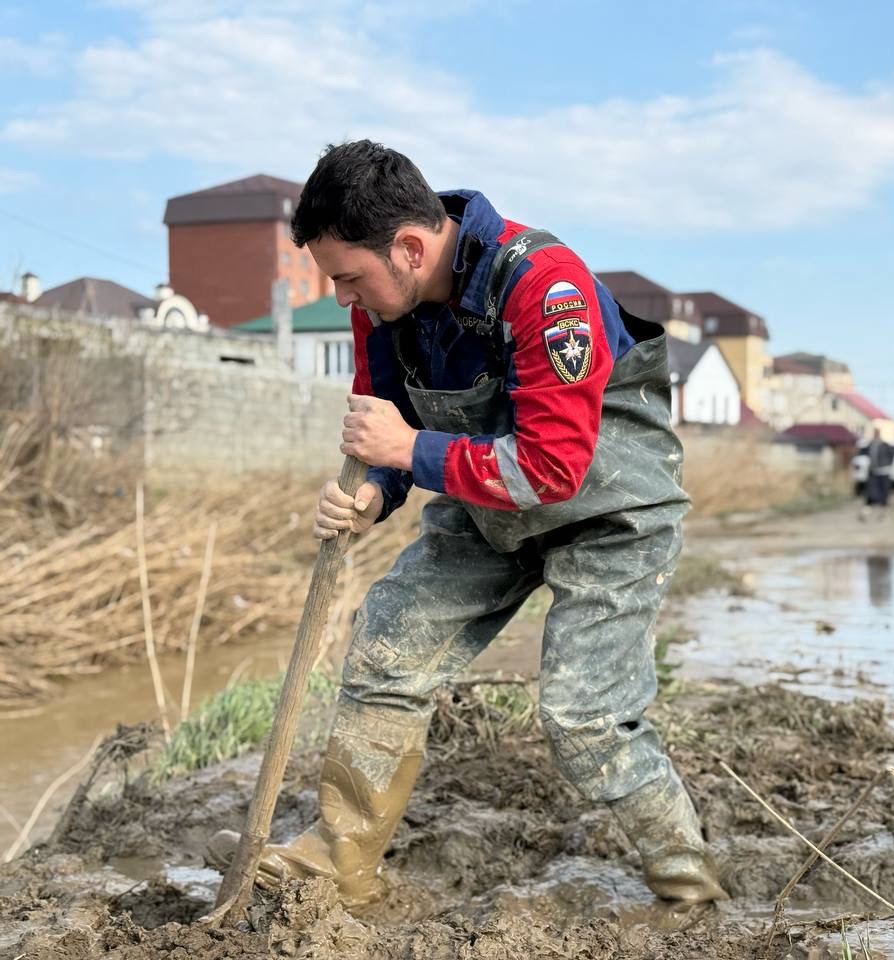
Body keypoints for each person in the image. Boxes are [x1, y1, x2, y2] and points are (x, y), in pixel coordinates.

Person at [206, 141, 726, 908]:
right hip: (487, 510)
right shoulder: (385, 307)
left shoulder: (547, 287)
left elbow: (551, 469)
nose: (345, 297)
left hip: (606, 513)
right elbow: (388, 427)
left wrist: (408, 451)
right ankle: (337, 867)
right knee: (387, 646)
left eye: (349, 277)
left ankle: (690, 884)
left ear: (410, 248)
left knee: (585, 717)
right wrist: (373, 492)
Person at [860, 429, 894, 522]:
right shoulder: (870, 445)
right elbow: (864, 454)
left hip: (884, 472)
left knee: (884, 494)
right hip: (873, 472)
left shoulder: (885, 445)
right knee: (871, 493)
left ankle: (882, 514)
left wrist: (887, 464)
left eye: (876, 433)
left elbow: (892, 455)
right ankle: (865, 513)